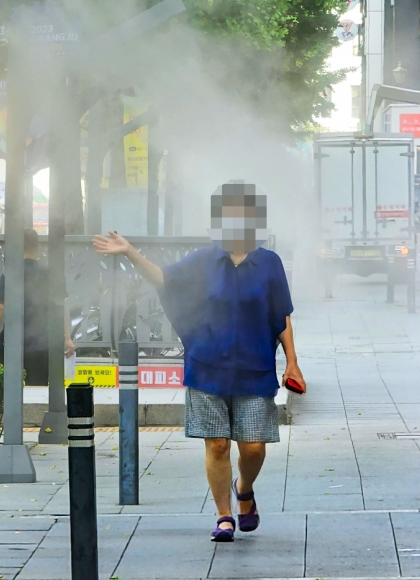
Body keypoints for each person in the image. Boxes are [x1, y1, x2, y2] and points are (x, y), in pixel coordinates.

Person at [93, 180, 305, 542]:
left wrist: (292, 361)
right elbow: (165, 280)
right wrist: (131, 252)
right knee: (218, 444)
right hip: (207, 366)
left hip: (254, 369)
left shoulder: (269, 263)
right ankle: (225, 515)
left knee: (253, 447)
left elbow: (280, 315)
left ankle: (245, 489)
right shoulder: (205, 259)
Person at [0, 228, 75, 385]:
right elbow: (58, 309)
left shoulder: (9, 274)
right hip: (40, 344)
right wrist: (67, 338)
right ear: (38, 247)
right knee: (38, 390)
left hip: (11, 342)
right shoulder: (51, 274)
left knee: (8, 388)